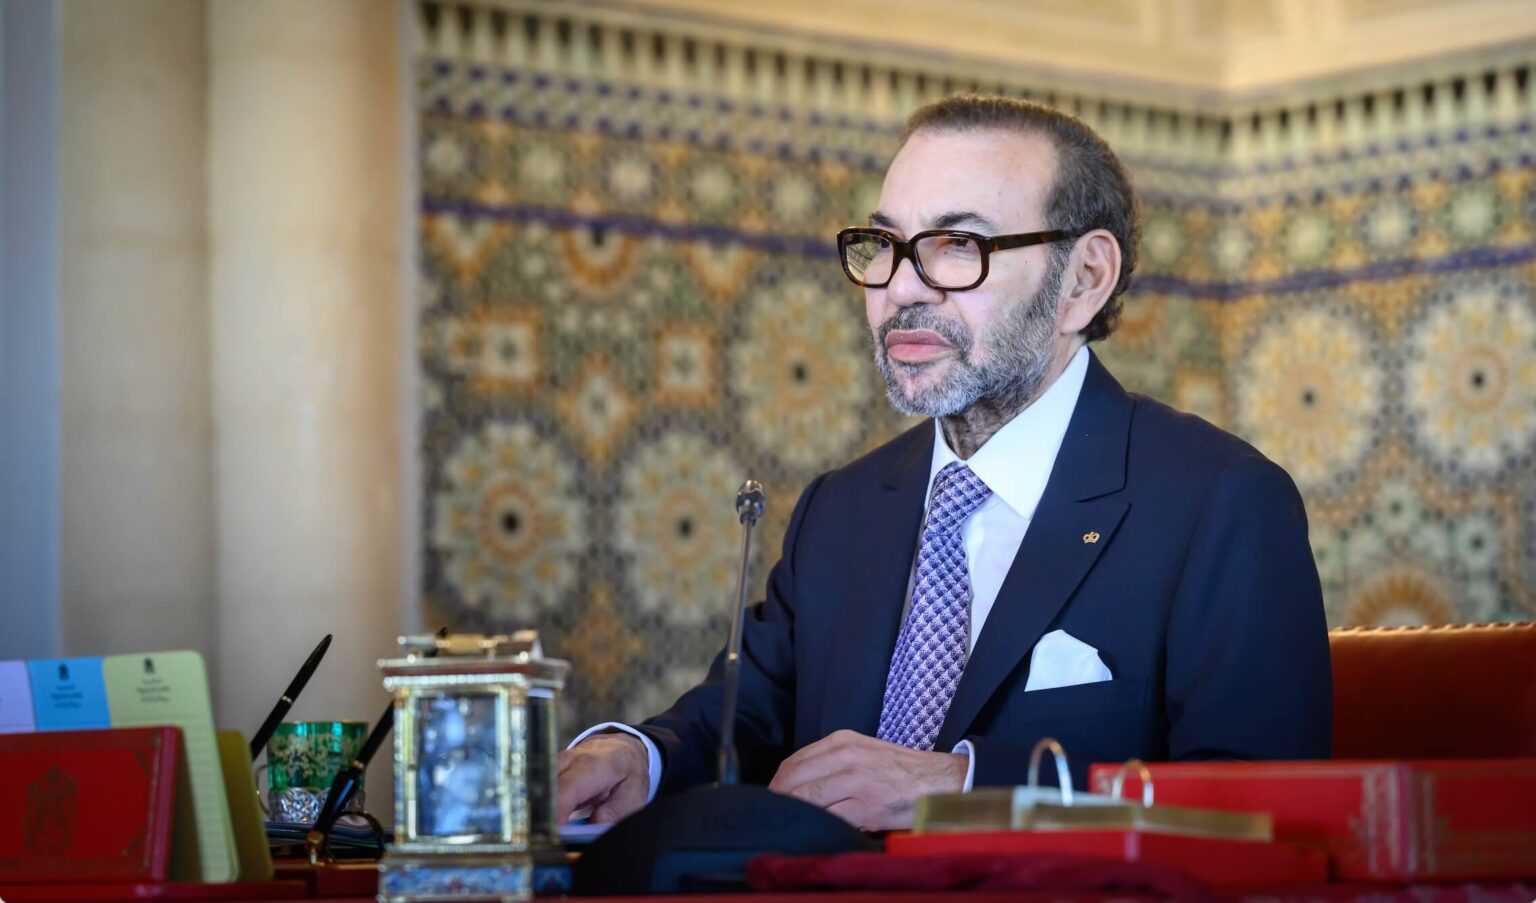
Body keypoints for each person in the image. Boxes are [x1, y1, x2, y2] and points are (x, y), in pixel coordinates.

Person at [556, 94, 1332, 832]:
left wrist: (966, 789)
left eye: (958, 246)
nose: (899, 288)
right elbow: (744, 718)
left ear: (1084, 279)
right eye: (887, 245)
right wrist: (638, 756)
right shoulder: (842, 508)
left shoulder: (1221, 504)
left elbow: (1258, 813)